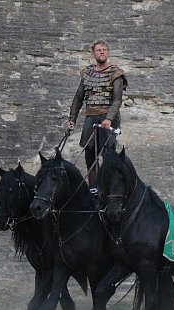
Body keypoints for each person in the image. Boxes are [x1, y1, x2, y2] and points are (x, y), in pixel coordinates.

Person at [65, 39, 127, 195]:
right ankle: (93, 188)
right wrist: (72, 119)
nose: (102, 52)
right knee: (89, 153)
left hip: (108, 116)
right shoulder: (87, 73)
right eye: (99, 50)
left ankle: (108, 187)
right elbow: (78, 98)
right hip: (91, 117)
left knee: (108, 153)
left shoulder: (116, 73)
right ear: (94, 53)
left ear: (108, 53)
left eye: (104, 50)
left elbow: (117, 100)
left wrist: (109, 118)